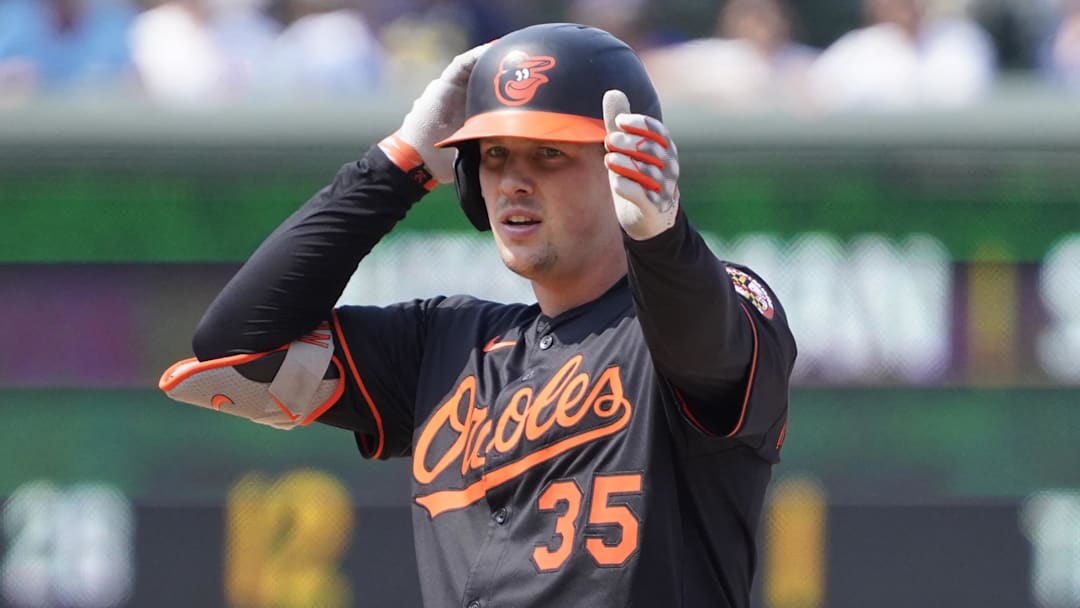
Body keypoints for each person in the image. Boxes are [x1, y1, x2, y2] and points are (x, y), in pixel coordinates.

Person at [160, 22, 796, 607]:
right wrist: (399, 164)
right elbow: (237, 345)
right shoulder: (446, 345)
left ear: (623, 165)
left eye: (548, 154)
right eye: (493, 156)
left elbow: (706, 344)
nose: (513, 181)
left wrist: (663, 240)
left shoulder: (712, 311)